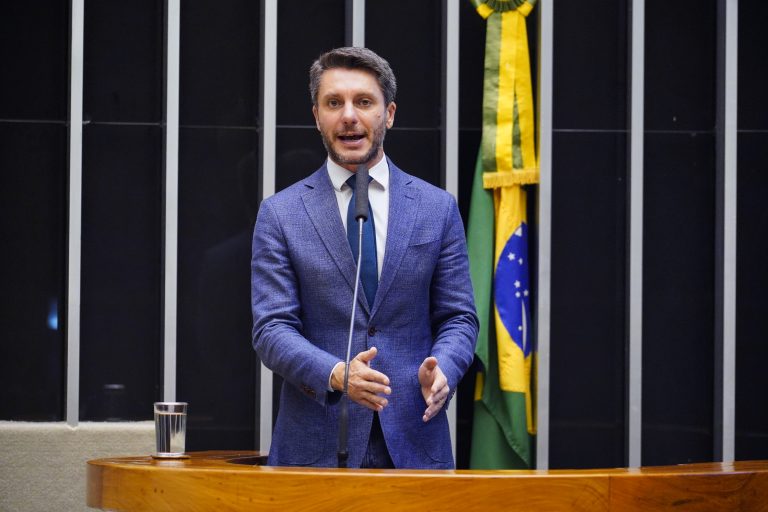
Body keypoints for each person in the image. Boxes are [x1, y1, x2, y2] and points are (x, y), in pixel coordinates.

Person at [251, 46, 478, 469]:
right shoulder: (280, 214)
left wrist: (444, 367)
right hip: (315, 448)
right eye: (334, 103)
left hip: (415, 443)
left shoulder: (437, 207)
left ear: (388, 114)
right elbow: (271, 328)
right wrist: (336, 373)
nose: (349, 115)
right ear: (317, 116)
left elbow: (458, 317)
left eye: (364, 102)